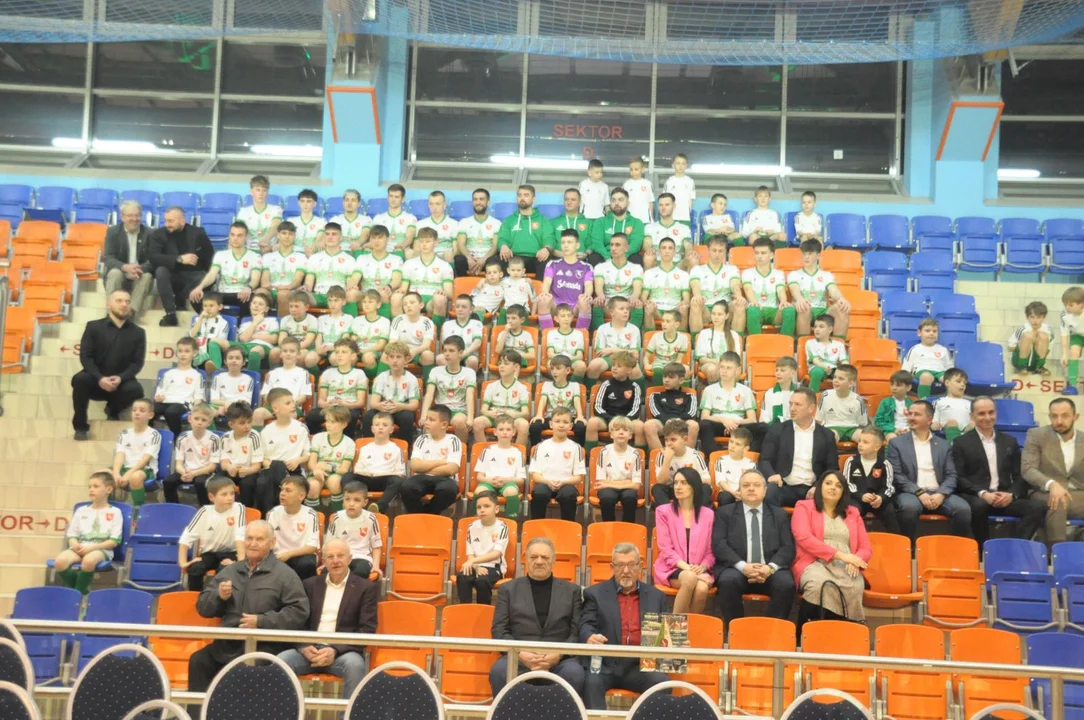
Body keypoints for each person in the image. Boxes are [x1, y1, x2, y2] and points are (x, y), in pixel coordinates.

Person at [188, 520, 309, 692]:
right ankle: (200, 709)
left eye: (259, 539)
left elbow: (299, 612)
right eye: (249, 538)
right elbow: (202, 607)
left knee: (249, 669)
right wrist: (218, 596)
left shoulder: (285, 575)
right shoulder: (230, 571)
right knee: (198, 661)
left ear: (272, 543)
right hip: (226, 645)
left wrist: (261, 621)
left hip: (264, 646)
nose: (253, 544)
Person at [278, 538, 378, 701]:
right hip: (309, 650)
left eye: (340, 556)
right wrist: (303, 646)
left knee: (355, 666)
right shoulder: (309, 585)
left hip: (343, 652)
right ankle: (286, 712)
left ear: (350, 559)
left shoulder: (365, 588)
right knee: (281, 661)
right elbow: (296, 621)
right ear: (323, 561)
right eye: (330, 557)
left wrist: (335, 649)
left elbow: (367, 629)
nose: (335, 561)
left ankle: (348, 714)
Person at [489, 537, 584, 696]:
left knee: (575, 673)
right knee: (499, 671)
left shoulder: (572, 591)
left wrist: (558, 654)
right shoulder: (508, 590)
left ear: (553, 561)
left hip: (559, 660)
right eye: (534, 557)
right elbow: (499, 630)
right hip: (518, 657)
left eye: (545, 557)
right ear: (525, 559)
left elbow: (576, 633)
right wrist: (520, 653)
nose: (539, 561)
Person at [580, 543, 670, 710]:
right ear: (612, 567)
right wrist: (589, 636)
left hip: (639, 667)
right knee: (591, 682)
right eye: (620, 565)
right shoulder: (594, 594)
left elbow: (666, 634)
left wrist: (675, 641)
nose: (626, 571)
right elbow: (586, 624)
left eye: (631, 565)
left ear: (640, 567)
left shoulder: (657, 597)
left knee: (662, 684)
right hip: (605, 665)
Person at [953, 397, 1045, 548]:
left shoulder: (1009, 441)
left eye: (991, 412)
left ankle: (1016, 547)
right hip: (977, 496)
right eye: (981, 413)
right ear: (972, 416)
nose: (987, 417)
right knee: (978, 506)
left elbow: (1020, 474)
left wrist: (1011, 495)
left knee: (1037, 507)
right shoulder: (960, 443)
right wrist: (983, 494)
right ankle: (984, 550)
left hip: (1003, 497)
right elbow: (960, 477)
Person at [711, 470, 796, 626]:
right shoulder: (725, 513)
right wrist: (743, 567)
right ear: (739, 491)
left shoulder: (779, 515)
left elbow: (787, 548)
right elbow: (719, 545)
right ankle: (736, 631)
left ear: (765, 491)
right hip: (737, 568)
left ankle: (771, 633)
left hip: (769, 569)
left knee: (786, 584)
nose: (751, 488)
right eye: (746, 485)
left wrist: (769, 568)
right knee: (728, 581)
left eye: (756, 485)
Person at [791, 471, 871, 632]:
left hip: (846, 565)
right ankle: (805, 633)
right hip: (814, 561)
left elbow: (865, 548)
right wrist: (843, 556)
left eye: (838, 485)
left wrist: (855, 561)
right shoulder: (804, 507)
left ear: (843, 491)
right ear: (820, 486)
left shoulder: (853, 512)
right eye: (828, 483)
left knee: (855, 585)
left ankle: (843, 634)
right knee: (818, 583)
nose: (833, 488)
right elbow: (803, 537)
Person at [888, 401, 972, 542]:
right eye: (910, 414)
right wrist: (919, 493)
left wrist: (941, 494)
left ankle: (956, 548)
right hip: (911, 493)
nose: (911, 417)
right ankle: (909, 548)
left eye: (917, 414)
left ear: (929, 420)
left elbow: (951, 475)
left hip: (939, 493)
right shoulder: (897, 443)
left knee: (963, 509)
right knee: (909, 507)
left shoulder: (944, 445)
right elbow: (896, 475)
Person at [71, 289, 146, 441]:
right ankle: (80, 427)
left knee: (136, 390)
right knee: (79, 380)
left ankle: (113, 410)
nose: (124, 304)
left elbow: (137, 363)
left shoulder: (138, 332)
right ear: (108, 304)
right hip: (95, 381)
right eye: (119, 301)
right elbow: (86, 357)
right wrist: (99, 378)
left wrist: (120, 378)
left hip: (120, 384)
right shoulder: (93, 327)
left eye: (127, 301)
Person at [759, 389, 839, 507]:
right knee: (770, 491)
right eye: (790, 404)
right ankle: (777, 519)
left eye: (798, 405)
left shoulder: (826, 435)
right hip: (783, 486)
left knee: (833, 496)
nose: (792, 408)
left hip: (814, 489)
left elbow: (832, 467)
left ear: (811, 408)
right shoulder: (777, 430)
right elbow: (764, 460)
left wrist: (818, 486)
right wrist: (772, 475)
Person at [1022, 398, 1084, 544]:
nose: (1059, 421)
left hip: (1077, 494)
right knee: (1058, 501)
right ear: (1049, 416)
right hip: (1044, 493)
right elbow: (1028, 468)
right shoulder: (1036, 435)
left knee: (1061, 500)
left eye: (1065, 416)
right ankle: (1056, 553)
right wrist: (1051, 484)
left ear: (1075, 417)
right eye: (1054, 416)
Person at [653, 468, 716, 614]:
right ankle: (674, 626)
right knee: (689, 578)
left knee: (701, 589)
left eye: (683, 483)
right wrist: (688, 568)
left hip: (699, 569)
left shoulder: (708, 515)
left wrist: (703, 567)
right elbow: (665, 549)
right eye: (675, 483)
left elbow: (711, 550)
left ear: (694, 487)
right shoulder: (663, 511)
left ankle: (690, 626)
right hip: (672, 568)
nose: (678, 487)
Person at [53, 472, 122, 595]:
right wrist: (74, 544)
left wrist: (92, 548)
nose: (91, 489)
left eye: (96, 486)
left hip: (101, 549)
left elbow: (114, 541)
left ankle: (75, 596)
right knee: (59, 562)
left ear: (108, 489)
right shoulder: (81, 510)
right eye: (89, 487)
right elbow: (72, 535)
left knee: (89, 561)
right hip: (80, 548)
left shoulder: (115, 512)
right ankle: (82, 592)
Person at [177, 476, 246, 592]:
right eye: (224, 494)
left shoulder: (239, 508)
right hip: (209, 553)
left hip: (230, 553)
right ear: (211, 497)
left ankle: (219, 599)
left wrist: (240, 562)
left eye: (232, 493)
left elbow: (240, 535)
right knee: (195, 568)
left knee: (225, 569)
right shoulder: (204, 511)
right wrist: (183, 563)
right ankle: (196, 597)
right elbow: (186, 538)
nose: (230, 498)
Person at [149, 206, 214, 327]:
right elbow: (153, 257)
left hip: (194, 276)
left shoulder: (198, 233)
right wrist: (179, 259)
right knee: (160, 271)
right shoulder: (158, 234)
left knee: (204, 276)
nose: (167, 224)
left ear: (182, 221)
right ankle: (170, 314)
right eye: (166, 220)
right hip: (172, 277)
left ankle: (206, 318)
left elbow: (209, 257)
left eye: (171, 221)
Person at [189, 221, 262, 320]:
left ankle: (241, 326)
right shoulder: (221, 255)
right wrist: (200, 287)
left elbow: (255, 279)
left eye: (239, 235)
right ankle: (210, 321)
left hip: (242, 294)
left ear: (246, 237)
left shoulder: (255, 256)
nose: (235, 238)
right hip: (222, 294)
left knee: (251, 299)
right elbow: (212, 274)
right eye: (232, 234)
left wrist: (249, 288)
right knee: (195, 297)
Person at [402, 404, 463, 515]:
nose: (427, 422)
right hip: (421, 478)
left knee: (448, 490)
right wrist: (440, 462)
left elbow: (451, 469)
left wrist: (423, 467)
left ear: (444, 424)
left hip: (446, 479)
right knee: (407, 487)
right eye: (426, 419)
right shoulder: (421, 439)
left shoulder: (453, 440)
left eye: (431, 420)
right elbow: (414, 465)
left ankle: (429, 515)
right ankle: (421, 516)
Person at [529, 406, 587, 521]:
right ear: (551, 424)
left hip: (566, 484)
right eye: (557, 421)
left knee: (568, 494)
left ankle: (568, 526)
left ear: (570, 426)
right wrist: (548, 481)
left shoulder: (576, 448)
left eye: (565, 422)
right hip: (545, 483)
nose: (561, 425)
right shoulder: (541, 446)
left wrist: (563, 482)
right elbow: (535, 475)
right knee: (539, 493)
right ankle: (537, 526)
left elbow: (578, 478)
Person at [345, 412, 406, 514]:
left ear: (391, 429)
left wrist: (380, 474)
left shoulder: (396, 449)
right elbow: (358, 470)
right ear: (372, 429)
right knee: (348, 476)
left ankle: (379, 507)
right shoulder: (365, 448)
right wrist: (368, 474)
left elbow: (401, 474)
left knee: (397, 481)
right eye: (377, 425)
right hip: (366, 479)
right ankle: (352, 504)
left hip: (384, 480)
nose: (380, 428)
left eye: (385, 425)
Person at [788, 239, 850, 337]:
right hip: (804, 309)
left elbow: (833, 290)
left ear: (818, 255)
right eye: (804, 254)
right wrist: (800, 299)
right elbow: (794, 290)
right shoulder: (794, 274)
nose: (806, 257)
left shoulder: (826, 275)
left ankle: (838, 343)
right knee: (804, 307)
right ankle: (802, 342)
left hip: (822, 310)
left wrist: (840, 298)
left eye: (810, 254)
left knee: (841, 308)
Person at [842, 426, 899, 533]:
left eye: (865, 442)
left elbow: (889, 487)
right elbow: (847, 484)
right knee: (852, 511)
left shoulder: (885, 464)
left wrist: (881, 498)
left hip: (877, 501)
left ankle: (895, 539)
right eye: (860, 441)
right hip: (857, 499)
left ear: (876, 447)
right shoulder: (851, 461)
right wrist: (861, 495)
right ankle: (851, 539)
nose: (860, 444)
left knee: (890, 512)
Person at [362, 342, 421, 444]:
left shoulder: (411, 379)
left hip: (401, 409)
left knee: (407, 417)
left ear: (406, 359)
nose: (395, 360)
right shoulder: (381, 377)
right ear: (387, 359)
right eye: (392, 357)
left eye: (398, 357)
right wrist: (380, 406)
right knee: (368, 416)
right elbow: (373, 403)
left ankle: (404, 446)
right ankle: (368, 444)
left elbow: (414, 405)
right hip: (384, 409)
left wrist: (399, 406)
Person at [163, 402, 221, 506]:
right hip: (186, 471)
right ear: (190, 419)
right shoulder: (182, 438)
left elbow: (212, 466)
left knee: (200, 483)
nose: (199, 422)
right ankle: (173, 508)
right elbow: (178, 465)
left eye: (204, 420)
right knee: (168, 481)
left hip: (205, 472)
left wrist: (194, 474)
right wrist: (184, 473)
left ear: (209, 423)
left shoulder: (214, 439)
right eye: (196, 418)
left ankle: (205, 509)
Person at [103, 199, 154, 317]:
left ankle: (130, 313)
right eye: (130, 215)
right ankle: (112, 313)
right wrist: (125, 268)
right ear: (122, 217)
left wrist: (138, 270)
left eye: (137, 215)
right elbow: (108, 258)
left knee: (147, 276)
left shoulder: (150, 233)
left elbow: (153, 260)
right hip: (120, 272)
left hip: (139, 274)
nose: (134, 219)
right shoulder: (113, 232)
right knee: (115, 273)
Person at [456, 491, 509, 604]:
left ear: (496, 509)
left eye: (486, 506)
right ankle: (465, 609)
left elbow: (496, 554)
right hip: (475, 565)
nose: (482, 510)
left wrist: (473, 562)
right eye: (479, 507)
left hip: (494, 566)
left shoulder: (502, 527)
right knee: (462, 576)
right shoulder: (472, 527)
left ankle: (484, 610)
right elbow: (470, 553)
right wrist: (475, 566)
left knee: (482, 581)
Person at [472, 415, 527, 518]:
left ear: (514, 432)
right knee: (480, 490)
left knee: (511, 491)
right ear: (495, 432)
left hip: (509, 483)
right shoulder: (487, 451)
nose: (505, 432)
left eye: (508, 429)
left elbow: (521, 481)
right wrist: (489, 480)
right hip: (489, 482)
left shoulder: (518, 453)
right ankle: (476, 519)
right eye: (501, 429)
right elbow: (479, 476)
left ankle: (511, 521)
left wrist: (505, 480)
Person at [267, 476, 321, 580]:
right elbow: (267, 541)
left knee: (307, 564)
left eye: (288, 490)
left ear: (301, 496)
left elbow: (312, 547)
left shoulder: (311, 514)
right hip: (278, 555)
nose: (282, 493)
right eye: (282, 489)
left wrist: (288, 554)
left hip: (302, 555)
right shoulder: (273, 513)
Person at [326, 482, 383, 578]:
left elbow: (376, 546)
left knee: (360, 572)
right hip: (339, 558)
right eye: (347, 499)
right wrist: (326, 562)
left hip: (362, 557)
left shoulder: (370, 518)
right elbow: (328, 545)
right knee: (326, 573)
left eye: (357, 500)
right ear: (343, 500)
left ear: (365, 502)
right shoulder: (337, 517)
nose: (351, 504)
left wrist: (375, 566)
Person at [110, 398, 161, 508]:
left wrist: (128, 474)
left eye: (142, 410)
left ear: (150, 415)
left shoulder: (154, 435)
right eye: (134, 410)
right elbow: (119, 455)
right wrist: (116, 473)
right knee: (102, 475)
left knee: (135, 477)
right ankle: (108, 510)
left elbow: (145, 460)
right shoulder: (124, 433)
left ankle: (138, 510)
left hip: (145, 469)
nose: (137, 413)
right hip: (125, 467)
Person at [742, 238, 796, 337]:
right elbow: (747, 288)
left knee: (789, 310)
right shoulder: (747, 272)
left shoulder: (778, 273)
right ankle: (756, 342)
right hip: (758, 309)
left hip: (774, 311)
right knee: (752, 310)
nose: (759, 256)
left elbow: (780, 290)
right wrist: (753, 302)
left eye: (763, 253)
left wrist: (783, 301)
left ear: (771, 255)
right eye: (757, 253)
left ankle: (784, 343)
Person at [306, 405, 355, 516]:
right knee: (312, 485)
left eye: (333, 422)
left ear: (344, 424)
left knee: (334, 482)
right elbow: (311, 463)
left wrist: (329, 467)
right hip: (318, 471)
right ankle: (312, 519)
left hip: (336, 473)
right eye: (327, 421)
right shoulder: (318, 437)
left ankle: (338, 517)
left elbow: (344, 469)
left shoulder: (349, 443)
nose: (328, 425)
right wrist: (316, 470)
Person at [593, 416, 644, 523]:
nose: (621, 432)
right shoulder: (604, 452)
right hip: (610, 489)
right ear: (611, 434)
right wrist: (627, 482)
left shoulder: (635, 454)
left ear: (630, 435)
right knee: (607, 497)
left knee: (630, 497)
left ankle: (627, 528)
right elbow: (601, 482)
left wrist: (610, 483)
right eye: (617, 429)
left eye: (625, 430)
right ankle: (609, 528)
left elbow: (636, 485)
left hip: (627, 490)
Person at [498, 184, 556, 276]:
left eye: (526, 195)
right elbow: (502, 238)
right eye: (519, 195)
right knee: (500, 258)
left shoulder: (543, 220)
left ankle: (539, 285)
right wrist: (503, 246)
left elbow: (549, 238)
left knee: (547, 261)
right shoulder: (509, 220)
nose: (522, 198)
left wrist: (547, 248)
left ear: (534, 199)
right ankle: (506, 285)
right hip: (514, 258)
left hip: (536, 258)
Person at [152, 337, 204, 437]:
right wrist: (159, 397)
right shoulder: (169, 373)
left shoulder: (197, 375)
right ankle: (149, 437)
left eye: (187, 351)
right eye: (180, 351)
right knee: (149, 411)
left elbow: (198, 397)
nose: (183, 354)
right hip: (166, 402)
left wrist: (196, 411)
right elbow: (160, 391)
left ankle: (177, 438)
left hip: (182, 404)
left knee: (171, 412)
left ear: (194, 353)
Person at [588, 188, 646, 266]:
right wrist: (607, 257)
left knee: (636, 258)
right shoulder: (600, 222)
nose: (616, 203)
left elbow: (635, 245)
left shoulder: (637, 223)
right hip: (605, 256)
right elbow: (597, 243)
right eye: (613, 200)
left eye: (620, 200)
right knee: (594, 258)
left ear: (628, 203)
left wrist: (622, 257)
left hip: (627, 256)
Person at [901, 318, 952, 400]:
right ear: (919, 333)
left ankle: (951, 402)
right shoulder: (915, 349)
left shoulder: (943, 349)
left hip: (940, 372)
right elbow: (906, 367)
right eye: (927, 331)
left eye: (934, 331)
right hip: (922, 372)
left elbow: (949, 367)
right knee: (926, 376)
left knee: (950, 380)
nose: (931, 333)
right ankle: (923, 401)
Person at [816, 365, 868, 444]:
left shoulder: (858, 400)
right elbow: (818, 419)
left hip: (852, 429)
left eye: (840, 378)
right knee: (831, 436)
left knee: (865, 438)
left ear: (850, 383)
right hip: (832, 428)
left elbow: (862, 423)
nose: (836, 380)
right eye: (835, 377)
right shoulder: (825, 395)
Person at [456, 188, 501, 276]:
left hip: (487, 259)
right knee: (459, 259)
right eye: (475, 199)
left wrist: (483, 259)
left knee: (494, 260)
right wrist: (469, 258)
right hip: (470, 259)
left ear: (488, 202)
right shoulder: (464, 222)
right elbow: (460, 244)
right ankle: (462, 283)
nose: (478, 202)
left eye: (481, 199)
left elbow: (495, 245)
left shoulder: (496, 223)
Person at [237, 175, 284, 253]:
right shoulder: (244, 212)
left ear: (267, 192)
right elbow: (238, 230)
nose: (261, 193)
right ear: (251, 191)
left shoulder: (276, 209)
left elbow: (276, 226)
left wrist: (266, 240)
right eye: (258, 190)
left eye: (264, 190)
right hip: (250, 251)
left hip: (270, 250)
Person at [1008, 301, 1052, 377]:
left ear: (1044, 318)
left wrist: (1037, 343)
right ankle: (1022, 366)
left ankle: (1039, 367)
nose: (1035, 321)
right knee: (1029, 335)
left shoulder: (1048, 330)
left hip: (1035, 361)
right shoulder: (1023, 329)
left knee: (1043, 336)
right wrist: (1026, 343)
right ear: (1027, 317)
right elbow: (1010, 347)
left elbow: (1048, 350)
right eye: (1032, 317)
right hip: (1018, 360)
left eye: (1039, 317)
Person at [932, 368, 973, 442]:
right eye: (958, 381)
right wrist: (935, 423)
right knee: (952, 422)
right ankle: (955, 445)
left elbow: (972, 419)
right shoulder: (940, 401)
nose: (962, 385)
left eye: (964, 383)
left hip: (965, 431)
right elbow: (936, 419)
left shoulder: (968, 403)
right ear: (947, 383)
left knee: (974, 424)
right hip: (946, 431)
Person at [874, 370, 913, 441]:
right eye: (892, 384)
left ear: (908, 388)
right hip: (890, 431)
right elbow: (878, 422)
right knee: (893, 439)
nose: (894, 388)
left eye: (898, 385)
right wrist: (894, 430)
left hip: (908, 431)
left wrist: (909, 429)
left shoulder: (912, 404)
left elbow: (915, 421)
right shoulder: (885, 402)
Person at [1061, 286, 1084, 395]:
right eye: (1065, 304)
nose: (1067, 307)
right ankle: (1073, 386)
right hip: (1077, 335)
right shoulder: (1065, 316)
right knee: (1073, 353)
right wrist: (1064, 354)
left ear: (1081, 304)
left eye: (1071, 305)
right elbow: (1064, 334)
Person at [663, 153, 695, 226]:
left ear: (686, 166)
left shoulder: (690, 181)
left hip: (685, 218)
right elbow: (664, 199)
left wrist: (687, 212)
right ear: (673, 165)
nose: (680, 166)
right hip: (671, 217)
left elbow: (691, 200)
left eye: (683, 164)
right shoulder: (669, 181)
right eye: (678, 163)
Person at [623, 156, 655, 223]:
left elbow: (651, 202)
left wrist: (650, 217)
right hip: (630, 219)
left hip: (645, 219)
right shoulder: (626, 185)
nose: (633, 172)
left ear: (642, 170)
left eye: (636, 169)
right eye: (631, 169)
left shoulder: (647, 184)